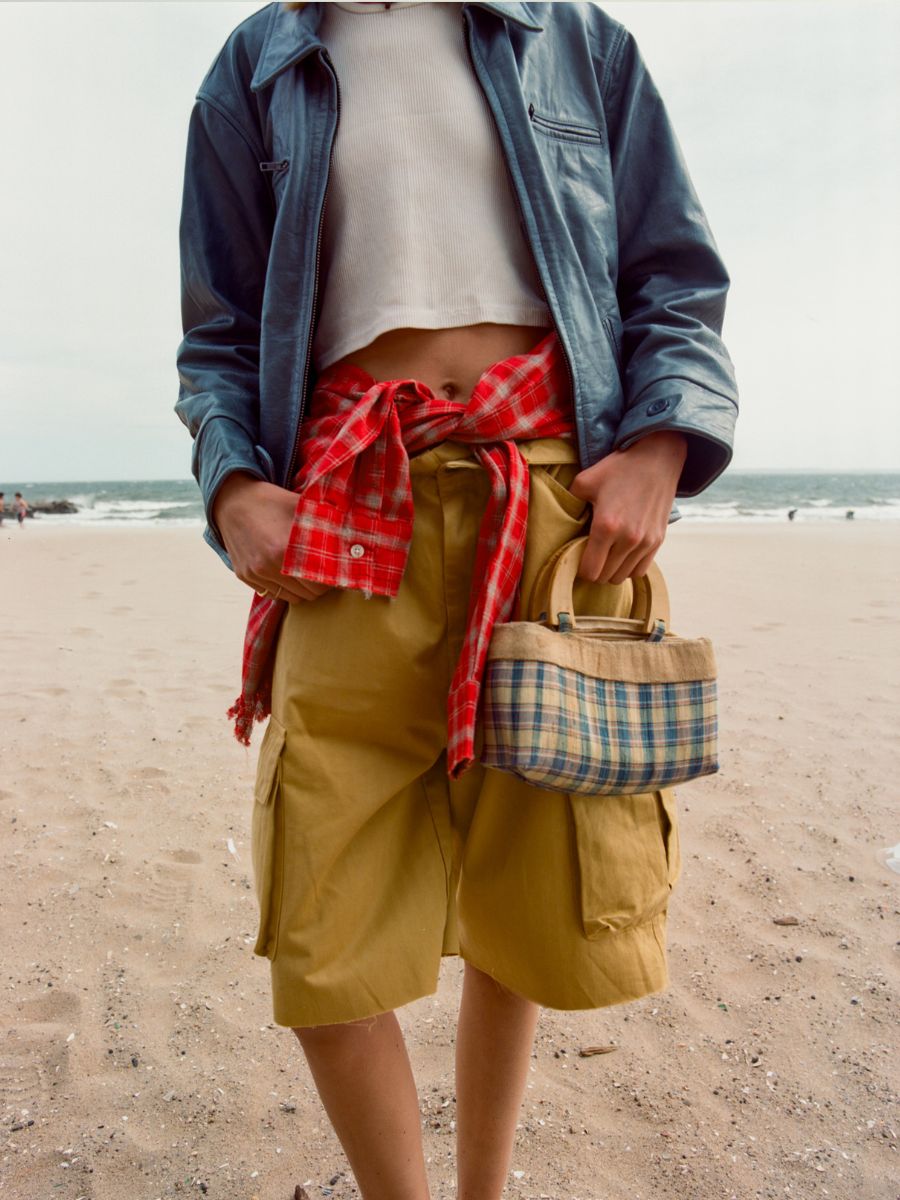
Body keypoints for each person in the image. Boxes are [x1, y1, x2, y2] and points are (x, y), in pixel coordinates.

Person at [176, 4, 739, 1197]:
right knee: (320, 931)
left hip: (547, 502)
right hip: (344, 509)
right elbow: (218, 331)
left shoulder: (575, 39)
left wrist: (660, 447)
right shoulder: (258, 65)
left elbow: (673, 275)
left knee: (527, 891)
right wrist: (230, 486)